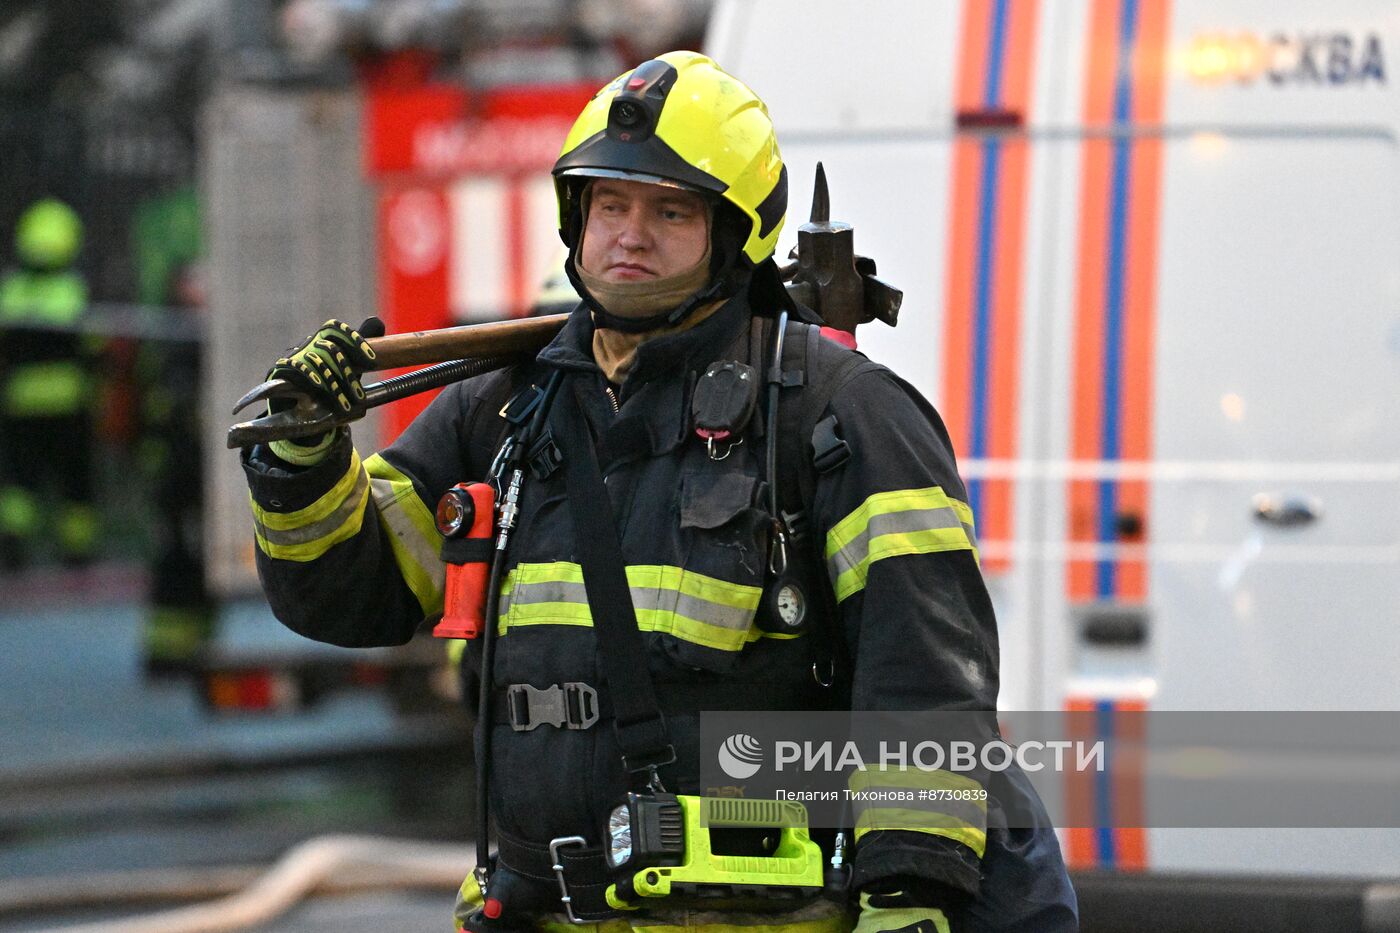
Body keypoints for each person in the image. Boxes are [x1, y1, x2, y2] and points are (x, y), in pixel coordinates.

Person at [239, 52, 1077, 932]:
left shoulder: (839, 414)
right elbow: (347, 593)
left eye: (669, 210)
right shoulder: (500, 407)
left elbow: (925, 687)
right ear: (575, 216)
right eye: (610, 203)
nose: (628, 234)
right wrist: (304, 458)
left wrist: (909, 900)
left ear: (733, 233)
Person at [0, 197, 98, 569]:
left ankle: (13, 547)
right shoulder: (74, 290)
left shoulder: (11, 290)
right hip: (69, 401)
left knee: (21, 480)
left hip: (21, 403)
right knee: (74, 481)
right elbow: (93, 346)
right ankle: (78, 554)